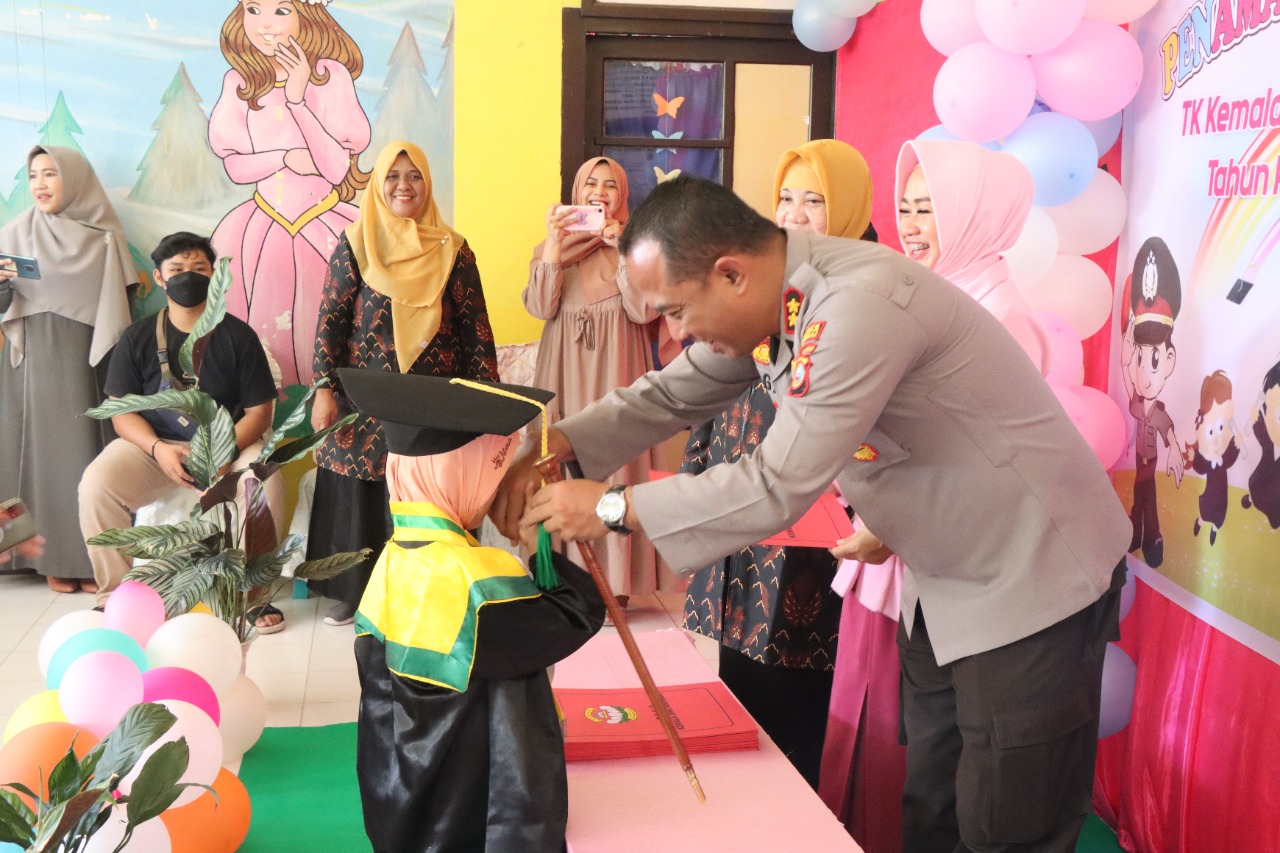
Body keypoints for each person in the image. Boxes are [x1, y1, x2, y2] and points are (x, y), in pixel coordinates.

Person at [502, 176, 1132, 853]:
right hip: (946, 573)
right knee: (934, 806)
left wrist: (610, 506)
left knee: (1007, 824)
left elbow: (777, 482)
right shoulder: (781, 295)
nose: (676, 332)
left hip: (1031, 573)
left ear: (731, 274)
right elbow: (672, 393)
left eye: (677, 310)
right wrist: (554, 444)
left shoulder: (855, 305)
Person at [820, 139, 1051, 852]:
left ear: (976, 216)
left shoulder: (1004, 318)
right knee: (928, 775)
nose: (912, 226)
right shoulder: (930, 301)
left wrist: (889, 521)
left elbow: (987, 467)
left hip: (987, 588)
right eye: (907, 208)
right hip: (931, 578)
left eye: (930, 210)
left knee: (967, 785)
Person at [339, 368, 605, 853]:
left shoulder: (395, 556)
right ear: (460, 476)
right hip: (465, 818)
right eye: (490, 474)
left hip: (401, 799)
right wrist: (538, 546)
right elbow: (576, 615)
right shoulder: (475, 582)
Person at [680, 138, 874, 788]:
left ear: (846, 207)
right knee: (740, 686)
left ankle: (800, 815)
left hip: (811, 525)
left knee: (796, 690)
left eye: (813, 200)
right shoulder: (768, 274)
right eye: (785, 198)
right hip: (743, 505)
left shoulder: (865, 290)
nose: (793, 214)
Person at [309, 141, 499, 627]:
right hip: (364, 399)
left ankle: (427, 595)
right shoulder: (355, 244)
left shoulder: (454, 249)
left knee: (425, 494)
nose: (403, 186)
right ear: (378, 184)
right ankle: (354, 592)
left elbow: (475, 328)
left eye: (414, 176)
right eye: (393, 176)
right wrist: (323, 388)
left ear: (427, 184)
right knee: (362, 492)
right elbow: (331, 320)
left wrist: (488, 402)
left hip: (432, 401)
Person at [78, 232, 285, 621]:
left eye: (198, 269)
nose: (187, 277)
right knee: (96, 485)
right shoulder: (137, 337)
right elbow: (121, 411)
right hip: (156, 449)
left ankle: (254, 597)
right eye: (176, 270)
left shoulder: (239, 336)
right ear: (159, 277)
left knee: (263, 478)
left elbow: (259, 412)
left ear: (214, 276)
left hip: (229, 447)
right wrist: (157, 449)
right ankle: (115, 596)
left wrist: (220, 453)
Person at [210, 0, 372, 387]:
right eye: (253, 9)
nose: (265, 24)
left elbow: (337, 168)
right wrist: (284, 156)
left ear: (306, 15)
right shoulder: (239, 82)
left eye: (281, 11)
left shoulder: (330, 76)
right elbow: (235, 165)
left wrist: (298, 100)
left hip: (325, 226)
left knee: (333, 335)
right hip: (259, 231)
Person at [523, 156, 657, 610]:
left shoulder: (640, 248)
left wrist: (626, 250)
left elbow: (643, 310)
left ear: (622, 197)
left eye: (610, 186)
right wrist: (553, 242)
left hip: (617, 376)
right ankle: (559, 578)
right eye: (591, 184)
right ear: (576, 193)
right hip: (562, 376)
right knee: (557, 462)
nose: (600, 192)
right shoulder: (552, 248)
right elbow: (541, 307)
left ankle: (614, 584)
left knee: (616, 464)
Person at [0, 145, 132, 593]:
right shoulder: (13, 234)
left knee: (88, 457)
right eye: (33, 175)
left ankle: (92, 559)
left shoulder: (104, 238)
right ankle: (49, 559)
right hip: (33, 363)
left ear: (73, 180)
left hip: (88, 361)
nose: (39, 184)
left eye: (51, 174)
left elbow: (122, 304)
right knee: (41, 456)